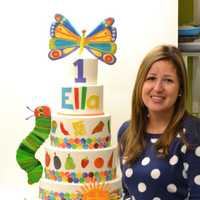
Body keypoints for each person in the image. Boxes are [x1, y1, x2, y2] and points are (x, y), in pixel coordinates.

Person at [118, 45, 200, 200]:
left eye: (168, 80)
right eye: (151, 78)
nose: (157, 88)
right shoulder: (127, 132)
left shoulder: (193, 134)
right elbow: (127, 193)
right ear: (140, 84)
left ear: (180, 89)